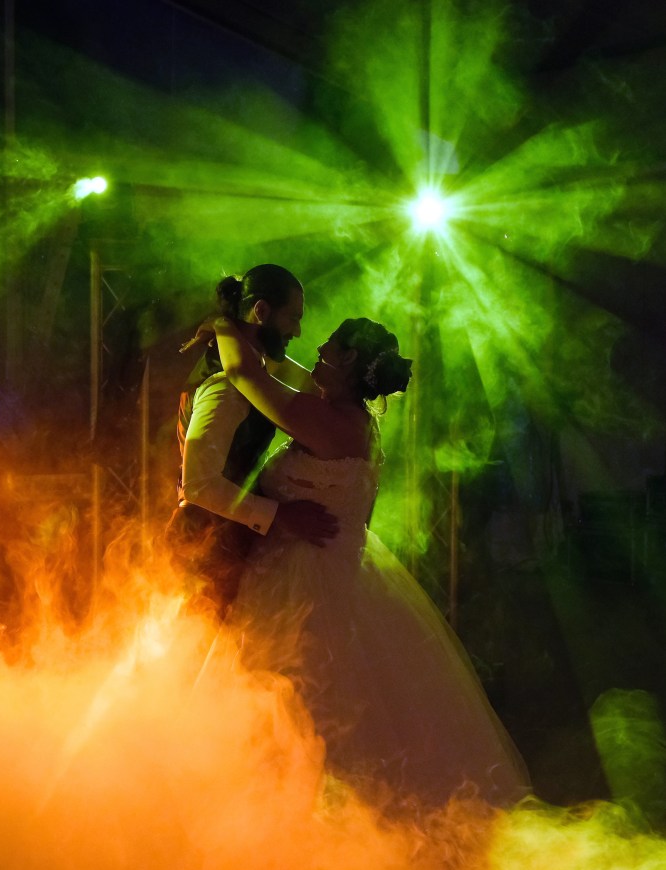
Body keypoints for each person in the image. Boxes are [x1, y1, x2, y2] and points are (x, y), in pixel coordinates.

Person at [206, 314, 530, 807]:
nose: (317, 348)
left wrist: (223, 320)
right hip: (333, 569)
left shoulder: (330, 422)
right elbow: (284, 371)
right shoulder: (348, 415)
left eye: (329, 343)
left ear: (349, 358)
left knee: (303, 704)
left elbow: (245, 375)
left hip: (304, 585)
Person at [167, 264, 337, 616]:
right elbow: (199, 484)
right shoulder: (224, 387)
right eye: (293, 318)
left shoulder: (249, 366)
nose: (297, 331)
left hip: (222, 542)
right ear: (261, 310)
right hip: (206, 550)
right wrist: (280, 515)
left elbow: (307, 385)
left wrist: (224, 325)